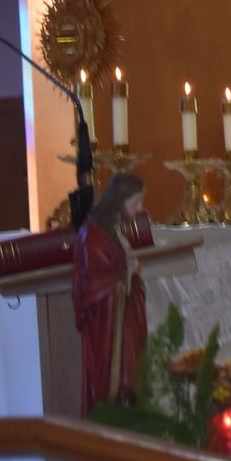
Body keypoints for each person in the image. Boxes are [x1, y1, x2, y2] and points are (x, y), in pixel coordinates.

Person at [72, 171, 150, 414]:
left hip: (117, 323)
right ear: (120, 200)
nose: (140, 209)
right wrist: (128, 274)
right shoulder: (93, 236)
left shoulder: (109, 230)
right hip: (104, 331)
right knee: (107, 390)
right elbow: (94, 286)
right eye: (135, 203)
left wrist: (131, 275)